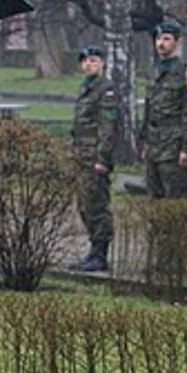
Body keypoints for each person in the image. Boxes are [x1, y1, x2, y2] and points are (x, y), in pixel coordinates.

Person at [70, 45, 119, 273]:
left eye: (93, 60)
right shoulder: (85, 89)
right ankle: (93, 250)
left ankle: (100, 252)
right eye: (86, 61)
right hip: (82, 155)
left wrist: (103, 158)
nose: (89, 64)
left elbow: (107, 128)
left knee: (96, 204)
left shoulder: (105, 90)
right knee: (84, 205)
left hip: (95, 157)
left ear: (102, 64)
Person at [139, 21, 187, 199]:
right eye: (158, 39)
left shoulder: (184, 73)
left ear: (176, 42)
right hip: (153, 144)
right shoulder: (154, 70)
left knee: (176, 200)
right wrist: (142, 139)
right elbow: (149, 108)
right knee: (154, 199)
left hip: (174, 145)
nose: (161, 43)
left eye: (166, 39)